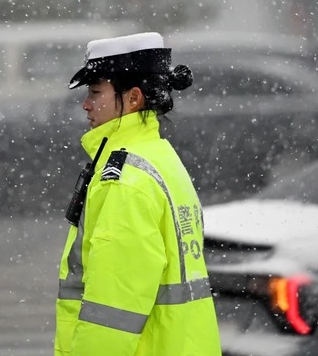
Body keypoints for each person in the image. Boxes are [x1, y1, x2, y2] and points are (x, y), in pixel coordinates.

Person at [54, 32, 221, 356]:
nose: (86, 104)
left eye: (96, 92)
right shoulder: (161, 157)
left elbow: (112, 312)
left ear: (133, 99)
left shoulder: (125, 183)